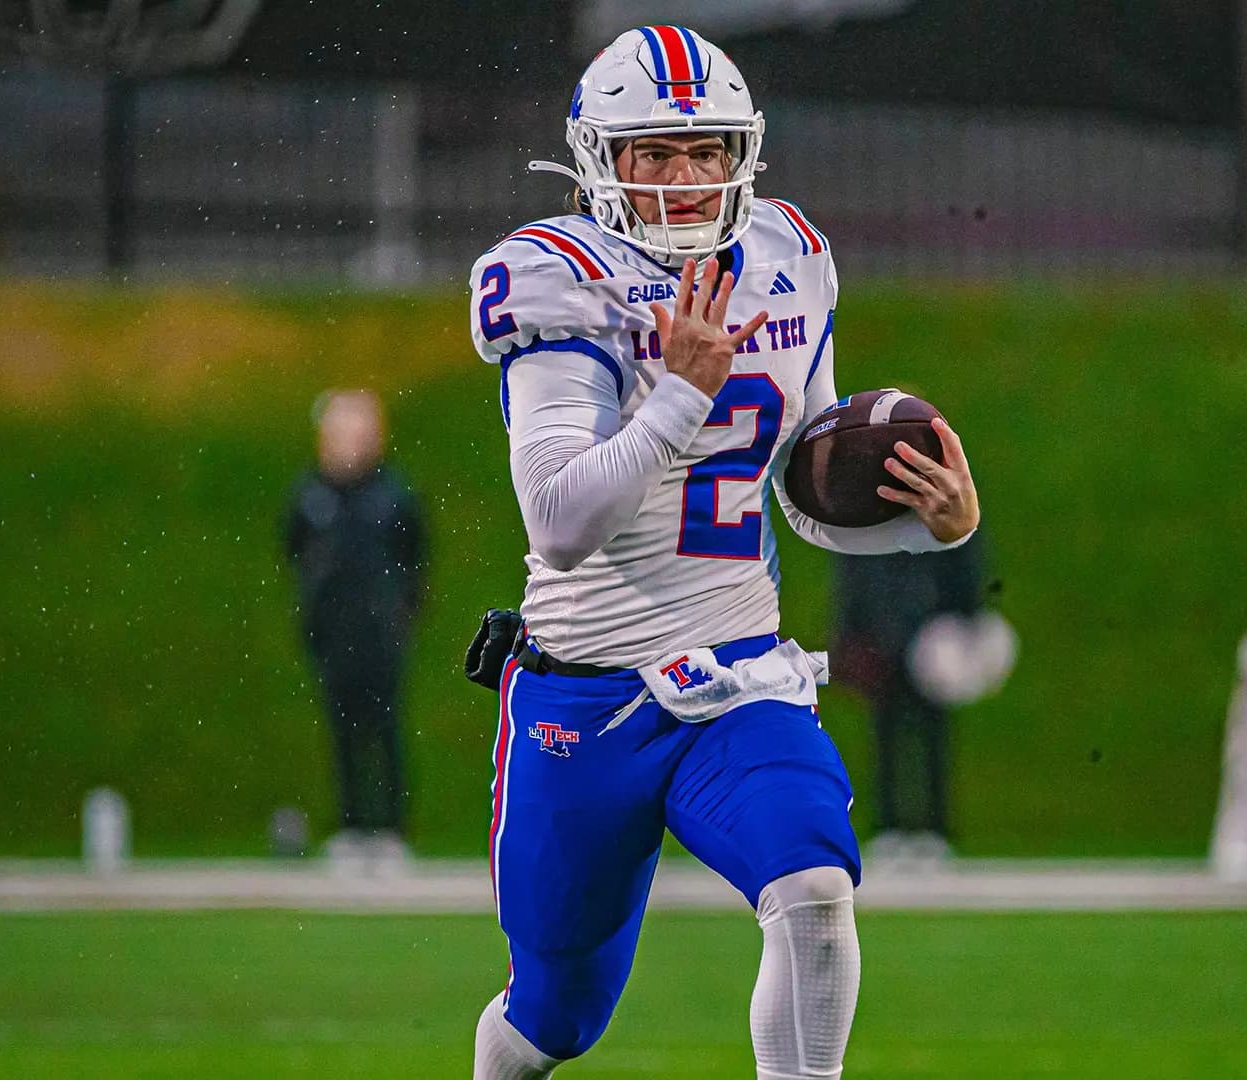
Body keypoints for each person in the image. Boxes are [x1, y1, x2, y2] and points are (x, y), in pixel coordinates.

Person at [464, 26, 980, 1080]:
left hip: (737, 674)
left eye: (706, 151)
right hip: (585, 695)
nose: (685, 179)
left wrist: (927, 521)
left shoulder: (789, 258)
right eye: (654, 153)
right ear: (598, 160)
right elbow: (558, 524)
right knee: (551, 1020)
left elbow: (799, 486)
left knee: (814, 892)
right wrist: (679, 396)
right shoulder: (561, 277)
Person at [283, 390, 428, 874]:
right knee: (341, 731)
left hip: (380, 633)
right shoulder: (312, 495)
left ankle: (391, 828)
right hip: (331, 632)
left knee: (385, 728)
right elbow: (294, 551)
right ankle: (350, 826)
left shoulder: (393, 495)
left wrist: (401, 613)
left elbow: (414, 558)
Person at [832, 530, 989, 864]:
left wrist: (965, 616)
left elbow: (963, 552)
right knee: (886, 730)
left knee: (930, 730)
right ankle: (890, 825)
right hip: (883, 628)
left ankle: (933, 828)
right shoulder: (868, 513)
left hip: (931, 629)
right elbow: (854, 567)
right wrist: (852, 627)